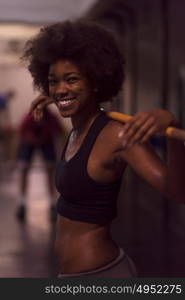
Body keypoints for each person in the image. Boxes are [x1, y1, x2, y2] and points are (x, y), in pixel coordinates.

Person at [22, 20, 185, 277]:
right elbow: (67, 94)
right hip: (71, 275)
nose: (61, 88)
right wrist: (59, 95)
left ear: (95, 81)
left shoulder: (115, 134)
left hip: (101, 275)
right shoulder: (77, 128)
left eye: (72, 79)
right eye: (53, 81)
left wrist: (172, 127)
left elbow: (177, 191)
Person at [16, 107, 66, 222]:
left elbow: (61, 133)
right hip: (28, 141)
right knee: (24, 168)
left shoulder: (52, 118)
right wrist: (19, 158)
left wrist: (65, 156)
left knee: (50, 170)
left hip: (46, 140)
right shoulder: (27, 119)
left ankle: (52, 203)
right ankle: (22, 203)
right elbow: (21, 135)